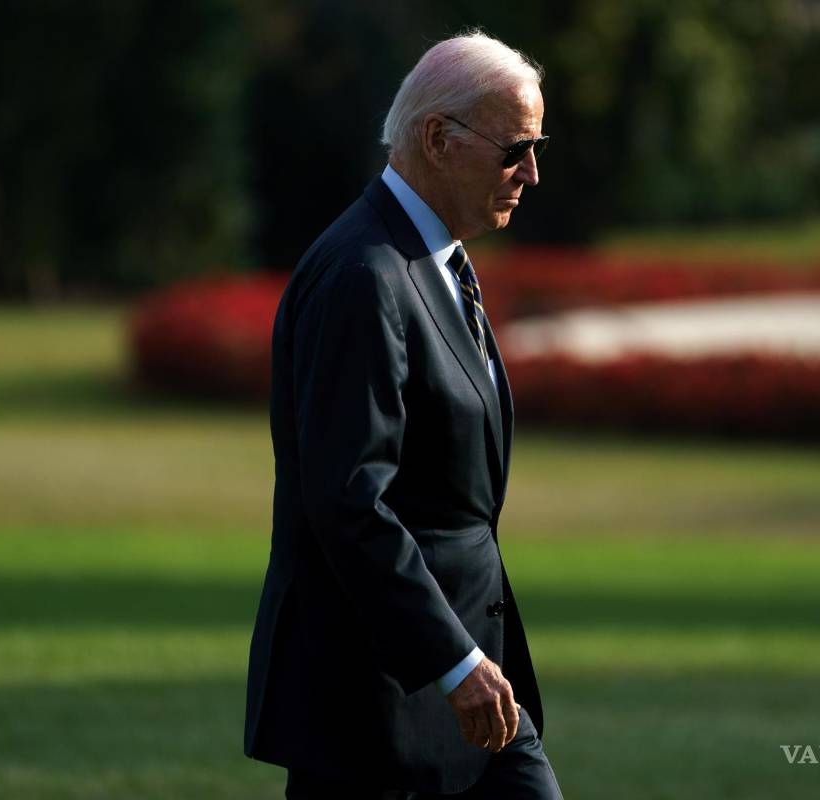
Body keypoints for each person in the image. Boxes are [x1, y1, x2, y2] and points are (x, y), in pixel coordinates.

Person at [245, 30, 562, 799]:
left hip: (467, 692)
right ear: (437, 138)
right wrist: (453, 664)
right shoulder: (365, 275)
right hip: (378, 708)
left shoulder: (434, 259)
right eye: (515, 147)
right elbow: (349, 501)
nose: (532, 172)